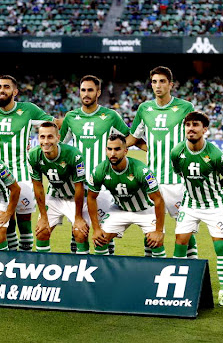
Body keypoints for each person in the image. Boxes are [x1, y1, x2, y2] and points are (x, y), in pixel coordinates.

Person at [126, 66, 195, 257]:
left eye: (162, 81)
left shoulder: (185, 107)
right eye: (154, 81)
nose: (158, 85)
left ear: (170, 85)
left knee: (184, 227)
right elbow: (133, 137)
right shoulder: (144, 109)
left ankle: (191, 265)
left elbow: (193, 136)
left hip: (178, 180)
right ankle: (152, 267)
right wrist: (115, 146)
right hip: (152, 180)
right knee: (150, 226)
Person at [170, 111, 223, 307]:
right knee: (180, 243)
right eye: (188, 124)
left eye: (196, 125)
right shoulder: (177, 152)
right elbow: (178, 172)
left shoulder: (217, 155)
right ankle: (178, 288)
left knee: (220, 247)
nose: (191, 128)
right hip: (189, 204)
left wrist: (211, 189)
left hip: (214, 206)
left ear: (204, 129)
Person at [0, 75, 53, 251]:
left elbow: (52, 123)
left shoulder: (28, 110)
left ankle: (26, 261)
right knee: (7, 224)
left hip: (23, 176)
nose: (2, 90)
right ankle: (13, 262)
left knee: (24, 223)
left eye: (6, 87)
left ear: (15, 91)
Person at [59, 75, 129, 254]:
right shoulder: (71, 117)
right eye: (83, 90)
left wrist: (149, 148)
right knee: (78, 232)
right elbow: (60, 145)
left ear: (98, 92)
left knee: (104, 234)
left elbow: (128, 138)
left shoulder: (111, 116)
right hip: (79, 184)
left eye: (90, 90)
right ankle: (78, 273)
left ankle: (105, 276)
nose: (86, 93)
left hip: (104, 184)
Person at [87, 134, 166, 258]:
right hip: (120, 209)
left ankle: (156, 273)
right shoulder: (100, 170)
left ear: (125, 151)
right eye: (109, 149)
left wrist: (159, 231)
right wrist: (96, 228)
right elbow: (91, 197)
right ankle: (105, 274)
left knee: (155, 242)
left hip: (146, 210)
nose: (113, 153)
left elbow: (158, 200)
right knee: (100, 241)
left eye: (117, 149)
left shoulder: (141, 170)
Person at [29, 122, 91, 253]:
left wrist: (78, 217)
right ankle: (42, 265)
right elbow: (38, 186)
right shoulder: (33, 155)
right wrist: (43, 217)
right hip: (54, 196)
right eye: (42, 137)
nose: (46, 141)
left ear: (58, 137)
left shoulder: (74, 154)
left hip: (76, 197)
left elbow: (79, 186)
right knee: (42, 232)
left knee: (80, 233)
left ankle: (82, 268)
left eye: (50, 137)